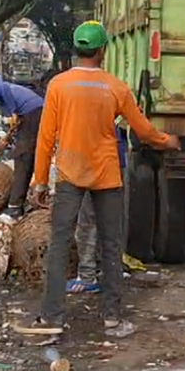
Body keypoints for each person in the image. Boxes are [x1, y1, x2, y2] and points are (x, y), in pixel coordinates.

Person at [26, 21, 179, 336]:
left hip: (69, 172)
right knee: (111, 246)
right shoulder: (115, 87)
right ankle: (112, 318)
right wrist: (168, 141)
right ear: (102, 51)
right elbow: (143, 131)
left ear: (76, 49)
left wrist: (39, 180)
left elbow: (45, 137)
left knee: (58, 244)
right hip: (106, 174)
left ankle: (52, 317)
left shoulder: (58, 85)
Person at [69, 124, 129, 294]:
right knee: (111, 217)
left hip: (94, 159)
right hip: (115, 159)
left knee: (88, 219)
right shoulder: (113, 98)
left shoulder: (82, 100)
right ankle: (112, 270)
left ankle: (88, 277)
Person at [0, 71, 45, 217]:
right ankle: (19, 200)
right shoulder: (7, 93)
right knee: (26, 156)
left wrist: (7, 138)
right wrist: (7, 139)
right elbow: (17, 121)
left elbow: (16, 119)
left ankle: (15, 206)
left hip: (34, 114)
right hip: (35, 114)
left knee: (22, 158)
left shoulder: (3, 89)